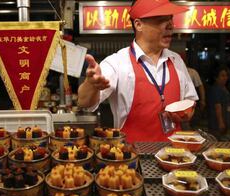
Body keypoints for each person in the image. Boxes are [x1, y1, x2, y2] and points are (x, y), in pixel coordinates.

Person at [77, 0, 198, 143]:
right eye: (161, 20)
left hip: (174, 155)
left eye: (170, 18)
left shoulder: (176, 60)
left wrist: (185, 114)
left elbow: (190, 101)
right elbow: (84, 102)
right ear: (138, 24)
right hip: (133, 159)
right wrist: (91, 84)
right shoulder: (117, 63)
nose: (171, 25)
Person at [207, 66, 230, 140]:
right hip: (216, 122)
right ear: (216, 77)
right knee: (216, 141)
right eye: (222, 76)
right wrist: (220, 122)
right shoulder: (216, 89)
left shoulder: (223, 88)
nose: (225, 78)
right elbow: (217, 106)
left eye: (226, 75)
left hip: (225, 119)